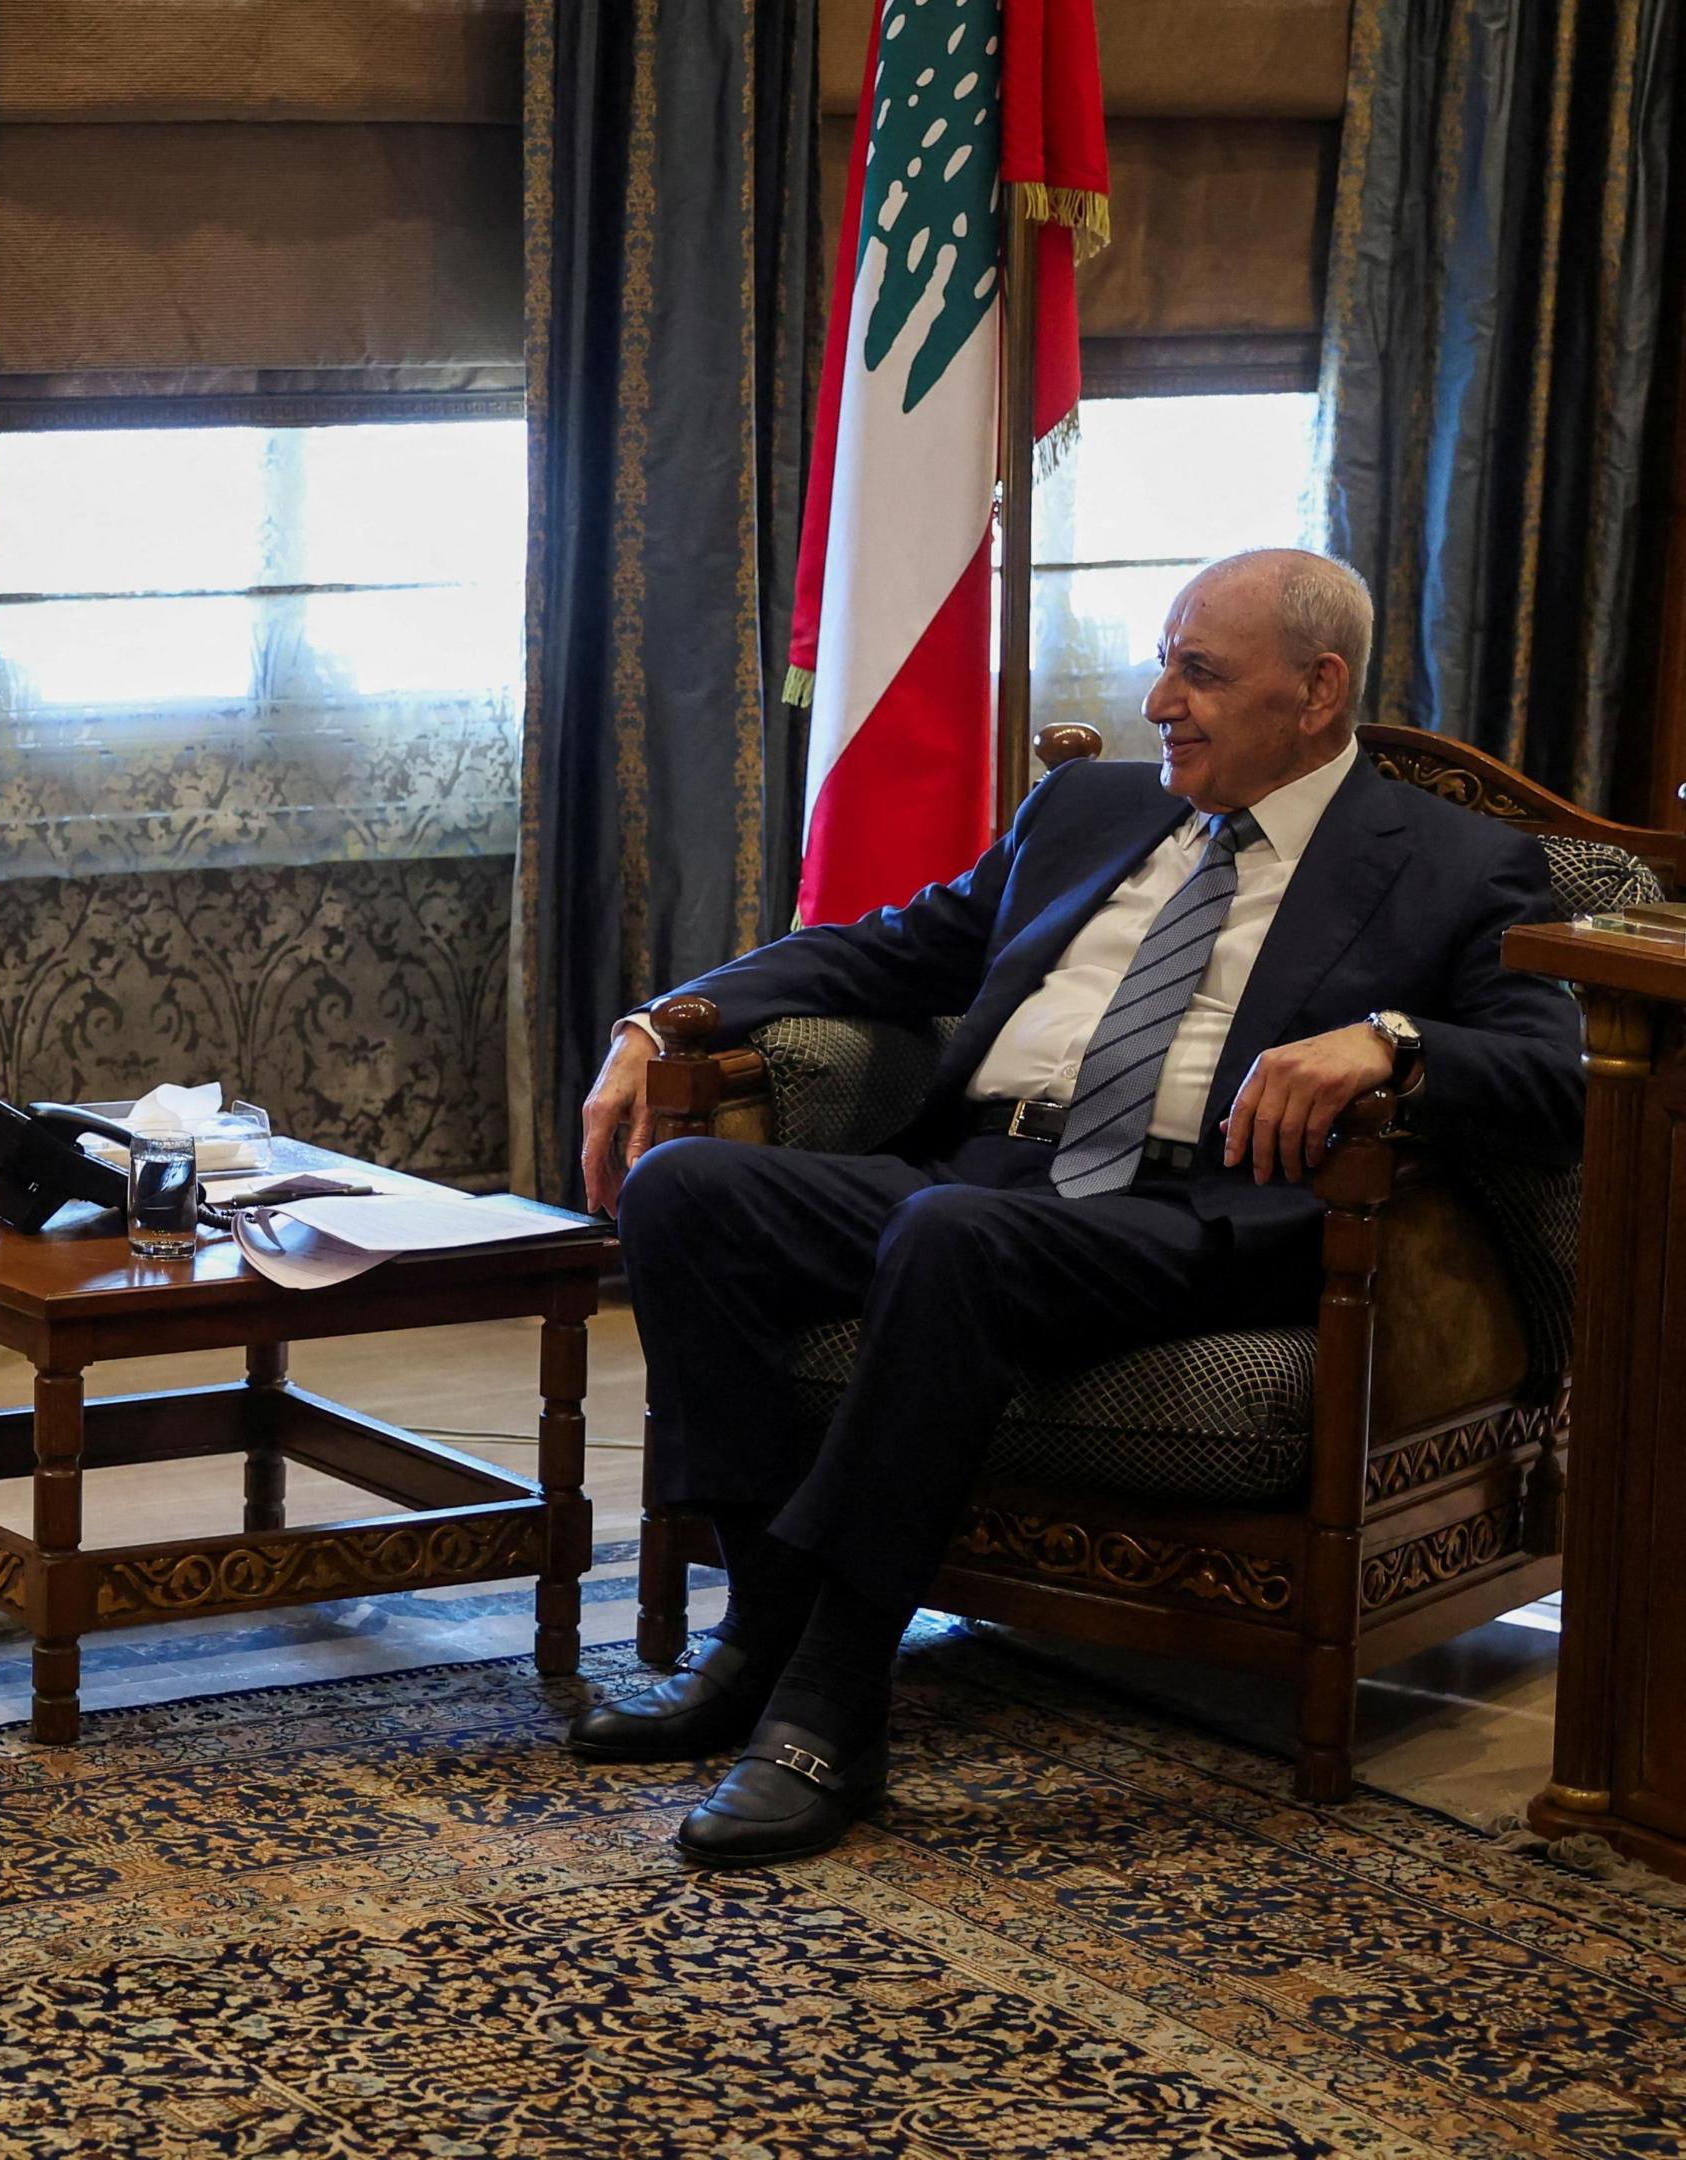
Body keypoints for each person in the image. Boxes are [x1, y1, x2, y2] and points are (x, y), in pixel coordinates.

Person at [573, 548, 1579, 1866]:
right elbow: (886, 949)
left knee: (950, 1238)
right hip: (984, 1172)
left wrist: (1389, 1038)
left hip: (1197, 1217)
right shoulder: (1091, 811)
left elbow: (1556, 1077)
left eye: (1200, 671)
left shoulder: (1454, 864)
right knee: (686, 1186)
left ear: (1319, 691)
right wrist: (667, 1020)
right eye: (1165, 660)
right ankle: (760, 1630)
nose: (1161, 698)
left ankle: (833, 1700)